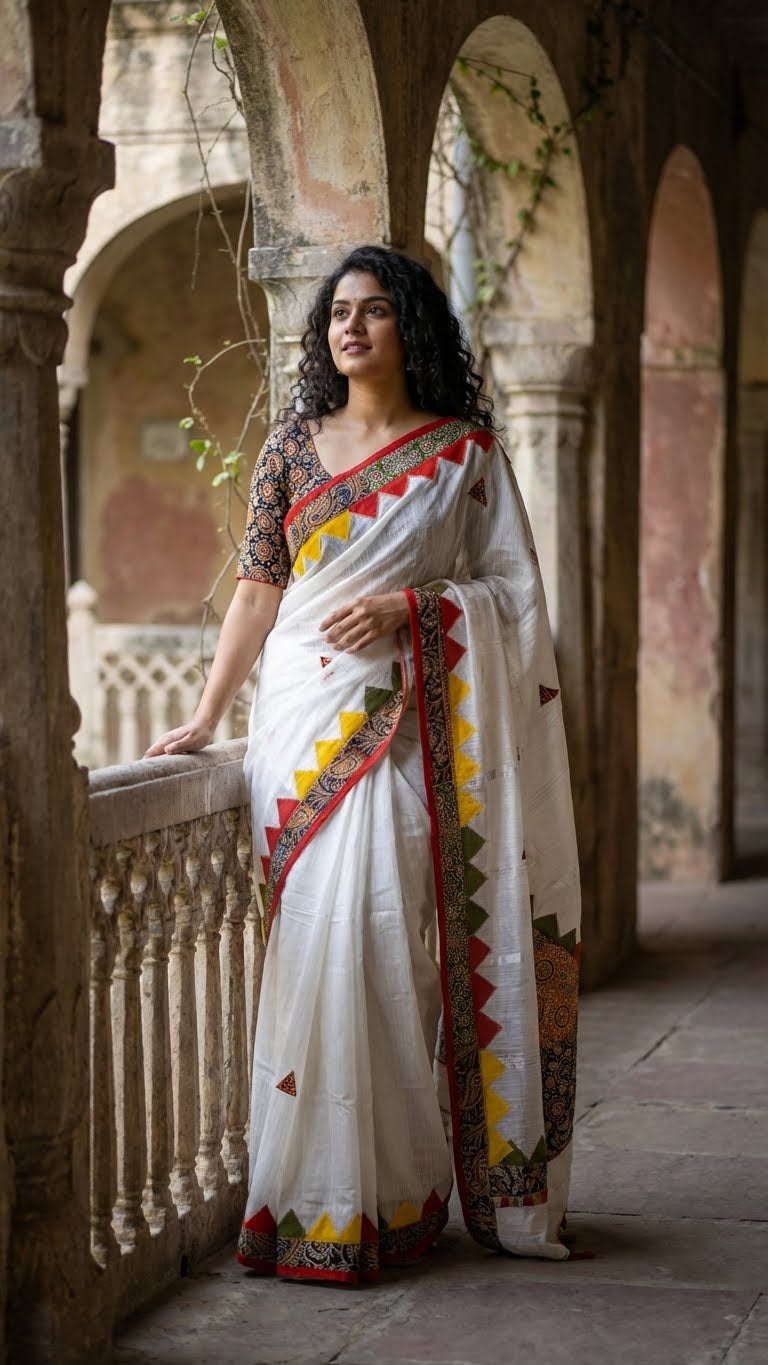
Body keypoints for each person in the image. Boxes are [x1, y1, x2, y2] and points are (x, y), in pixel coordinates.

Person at [146, 244, 581, 1284]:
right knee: (315, 948)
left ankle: (394, 1193)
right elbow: (258, 589)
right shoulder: (292, 448)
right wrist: (208, 714)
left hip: (405, 729)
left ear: (410, 327)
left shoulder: (465, 455)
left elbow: (517, 603)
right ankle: (308, 1202)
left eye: (375, 310)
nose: (350, 327)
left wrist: (419, 607)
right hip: (303, 724)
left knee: (387, 946)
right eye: (337, 311)